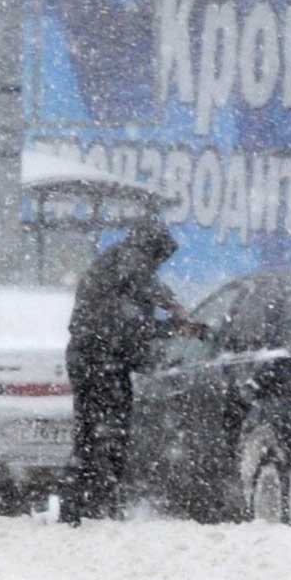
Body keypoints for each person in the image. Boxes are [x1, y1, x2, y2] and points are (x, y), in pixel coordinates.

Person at [63, 221, 186, 522]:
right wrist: (173, 321)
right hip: (100, 361)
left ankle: (83, 504)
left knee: (91, 434)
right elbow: (130, 323)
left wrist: (169, 308)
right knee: (107, 435)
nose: (158, 265)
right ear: (151, 250)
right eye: (159, 258)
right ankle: (95, 504)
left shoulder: (117, 263)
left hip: (94, 359)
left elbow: (140, 296)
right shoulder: (126, 264)